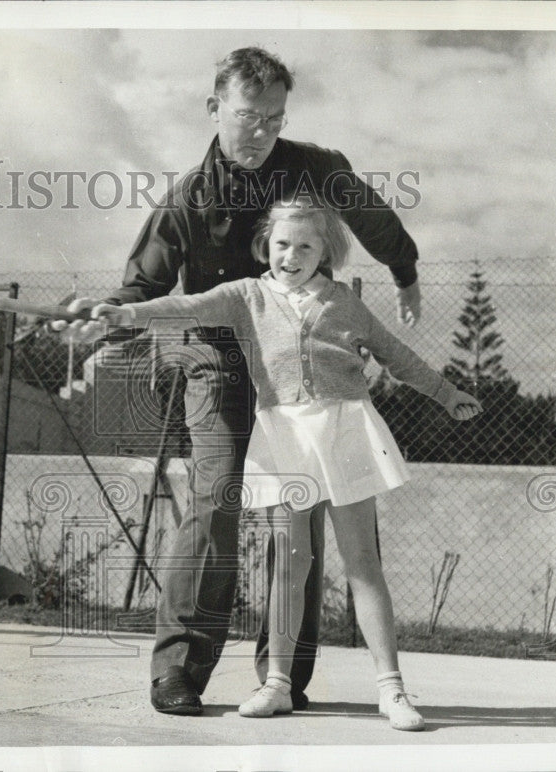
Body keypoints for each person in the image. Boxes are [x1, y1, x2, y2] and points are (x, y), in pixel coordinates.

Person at [58, 47, 424, 716]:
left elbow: (373, 221)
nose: (261, 133)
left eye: (274, 119)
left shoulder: (316, 169)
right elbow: (143, 286)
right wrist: (104, 326)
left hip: (298, 370)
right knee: (218, 497)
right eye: (248, 117)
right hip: (221, 360)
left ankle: (285, 675)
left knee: (298, 515)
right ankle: (180, 670)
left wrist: (405, 270)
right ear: (214, 107)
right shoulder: (185, 203)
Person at [92, 196, 482, 729]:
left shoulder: (344, 302)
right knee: (289, 565)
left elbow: (397, 355)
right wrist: (129, 313)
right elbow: (188, 306)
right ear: (265, 246)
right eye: (281, 244)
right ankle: (277, 683)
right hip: (284, 440)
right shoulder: (246, 296)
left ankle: (392, 691)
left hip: (345, 433)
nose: (291, 255)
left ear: (326, 251)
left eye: (305, 245)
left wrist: (445, 392)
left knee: (362, 565)